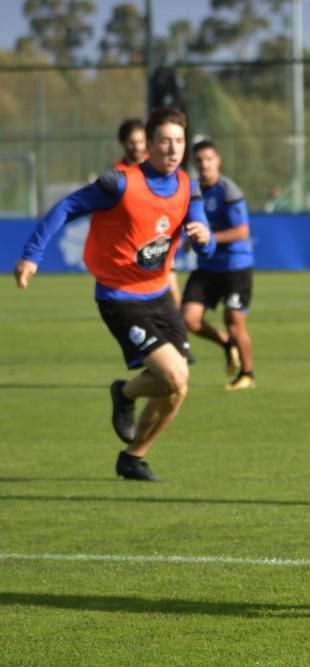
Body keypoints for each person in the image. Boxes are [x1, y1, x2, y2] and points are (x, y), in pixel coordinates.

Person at [14, 107, 216, 482]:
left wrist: (205, 238)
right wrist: (31, 254)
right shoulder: (121, 183)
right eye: (165, 142)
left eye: (179, 141)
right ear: (150, 145)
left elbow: (205, 239)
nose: (173, 150)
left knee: (178, 388)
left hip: (160, 296)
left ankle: (133, 456)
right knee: (173, 374)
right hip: (120, 297)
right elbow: (67, 207)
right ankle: (125, 395)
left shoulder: (189, 186)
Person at [181, 139, 255, 390]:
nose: (204, 165)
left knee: (233, 320)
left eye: (209, 159)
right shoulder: (192, 191)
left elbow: (242, 231)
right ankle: (226, 344)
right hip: (208, 267)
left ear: (218, 161)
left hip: (236, 266)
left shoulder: (228, 191)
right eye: (199, 161)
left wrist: (208, 237)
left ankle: (247, 375)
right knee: (189, 319)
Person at [116, 118, 185, 310]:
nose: (137, 146)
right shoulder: (117, 174)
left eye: (140, 141)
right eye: (132, 142)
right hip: (130, 250)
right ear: (123, 143)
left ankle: (178, 336)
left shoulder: (158, 166)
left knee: (172, 292)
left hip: (157, 241)